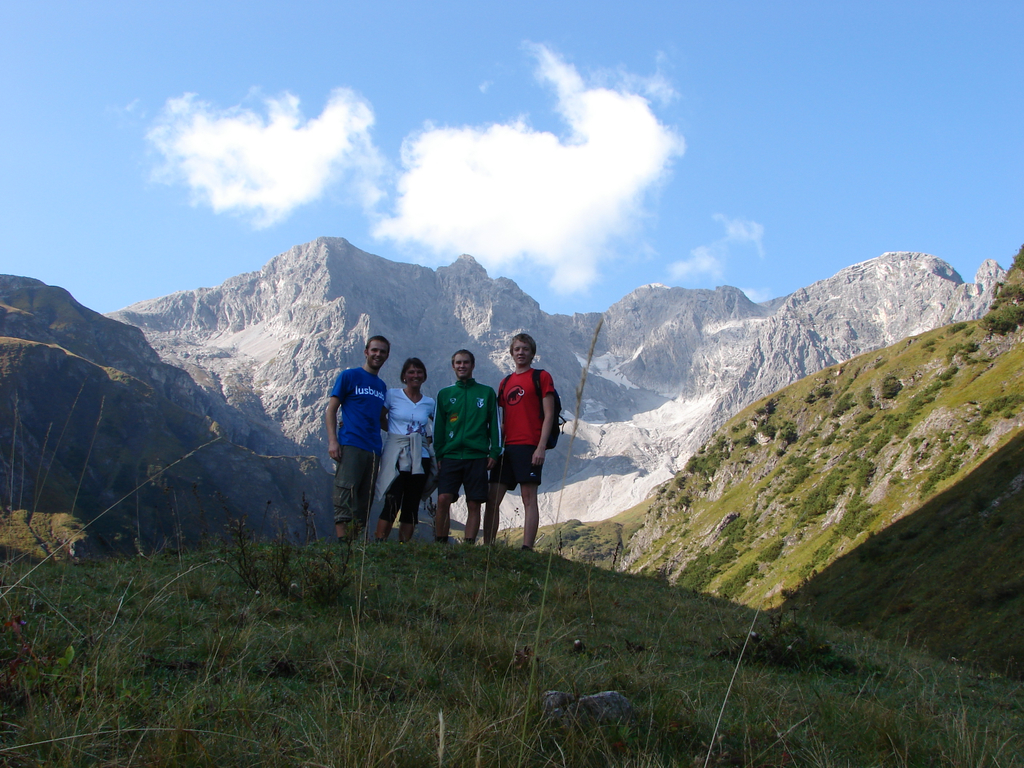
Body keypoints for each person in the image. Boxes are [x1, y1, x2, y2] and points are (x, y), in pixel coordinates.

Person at [484, 333, 556, 550]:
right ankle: (488, 546)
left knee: (528, 498)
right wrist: (494, 447)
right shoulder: (505, 382)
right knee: (493, 498)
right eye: (517, 349)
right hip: (506, 448)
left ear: (532, 353)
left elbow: (549, 415)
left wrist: (541, 447)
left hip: (529, 446)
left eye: (525, 349)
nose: (521, 353)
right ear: (511, 353)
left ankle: (527, 548)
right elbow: (504, 419)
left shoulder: (541, 377)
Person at [325, 335, 390, 541]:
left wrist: (412, 432)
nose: (378, 354)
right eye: (374, 350)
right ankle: (343, 546)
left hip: (374, 450)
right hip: (351, 444)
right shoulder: (349, 376)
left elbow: (380, 419)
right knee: (345, 494)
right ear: (366, 352)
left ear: (387, 356)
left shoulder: (382, 386)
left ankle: (354, 548)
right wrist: (333, 441)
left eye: (382, 351)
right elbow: (331, 409)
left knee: (364, 500)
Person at [432, 350, 500, 544]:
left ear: (473, 365)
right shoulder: (445, 394)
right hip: (451, 455)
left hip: (477, 456)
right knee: (443, 499)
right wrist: (439, 454)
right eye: (458, 363)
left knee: (474, 503)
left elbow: (495, 425)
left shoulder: (486, 393)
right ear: (453, 366)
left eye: (466, 362)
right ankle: (440, 544)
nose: (462, 366)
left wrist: (494, 451)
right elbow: (438, 427)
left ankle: (468, 546)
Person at [373, 357, 435, 543]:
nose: (415, 375)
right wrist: (395, 433)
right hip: (396, 454)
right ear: (404, 376)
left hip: (420, 457)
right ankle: (379, 543)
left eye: (419, 372)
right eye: (411, 372)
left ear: (424, 376)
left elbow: (440, 425)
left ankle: (403, 546)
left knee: (412, 503)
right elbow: (379, 417)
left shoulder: (430, 402)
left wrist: (427, 439)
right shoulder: (392, 395)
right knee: (392, 499)